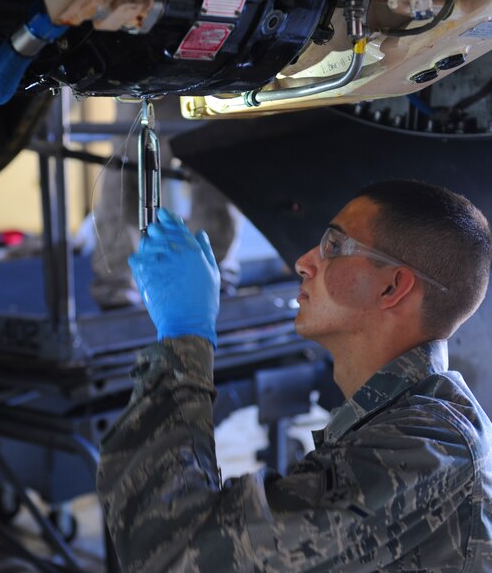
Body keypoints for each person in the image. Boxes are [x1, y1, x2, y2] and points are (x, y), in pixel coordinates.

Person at [96, 181, 492, 571]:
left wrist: (185, 337)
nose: (304, 262)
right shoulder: (407, 422)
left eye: (334, 246)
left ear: (392, 286)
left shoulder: (427, 448)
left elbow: (176, 553)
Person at [90, 97, 244, 309]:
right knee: (128, 176)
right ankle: (118, 288)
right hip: (146, 79)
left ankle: (212, 277)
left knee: (214, 170)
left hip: (209, 78)